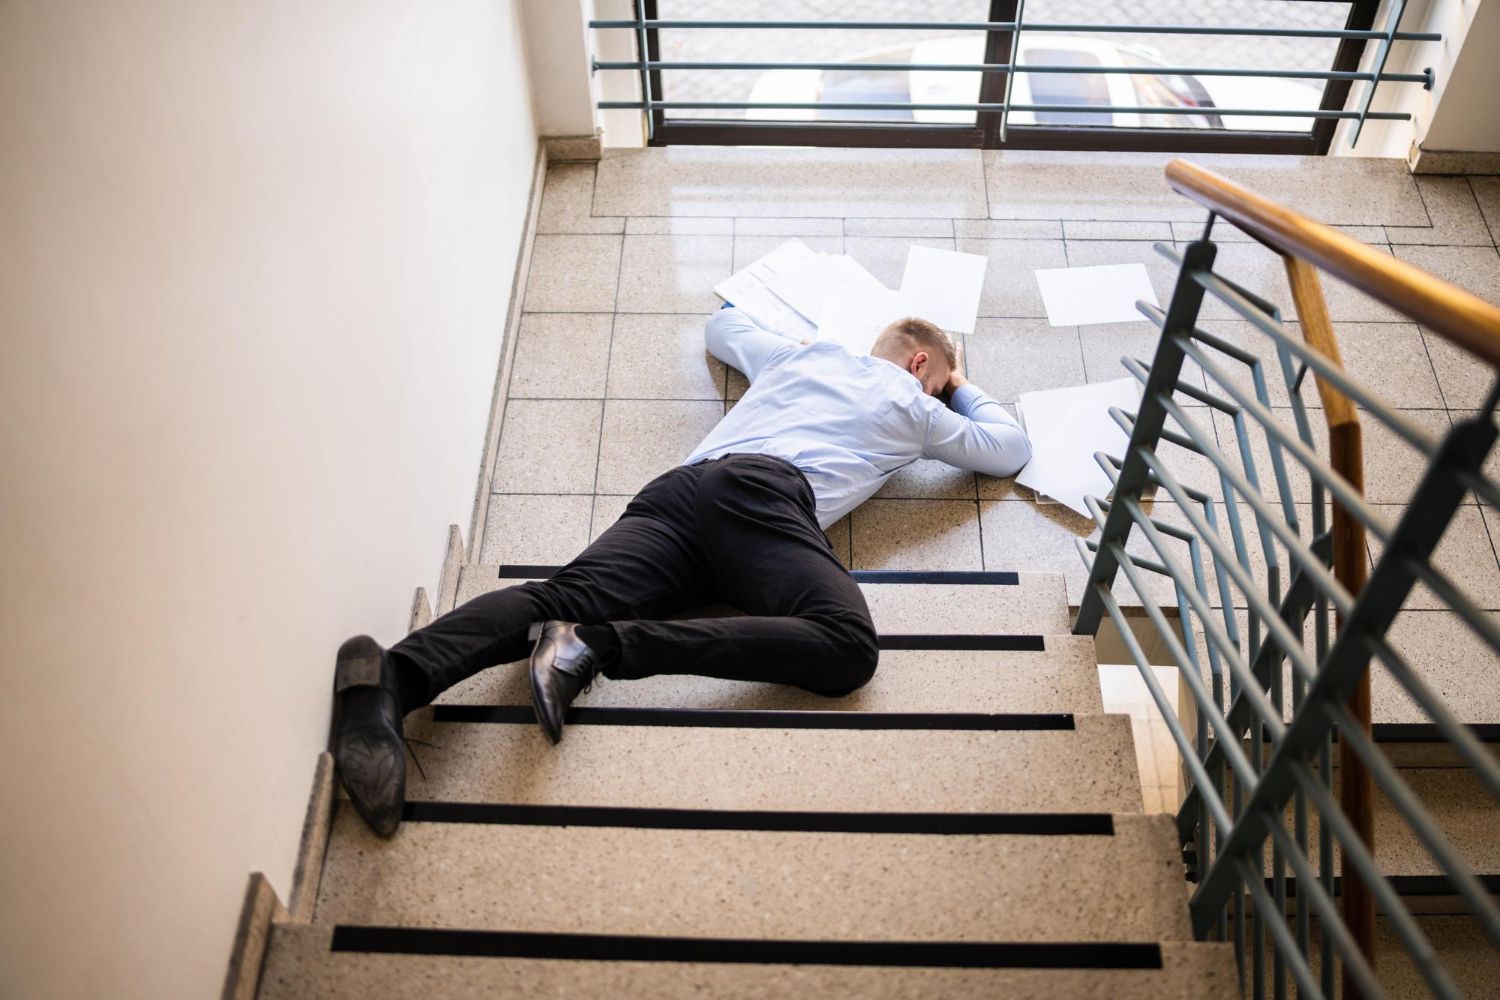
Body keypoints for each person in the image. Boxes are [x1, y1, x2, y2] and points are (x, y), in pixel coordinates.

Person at [330, 309, 1033, 836]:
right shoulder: (914, 403)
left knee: (561, 593)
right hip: (762, 499)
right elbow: (1007, 449)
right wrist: (958, 386)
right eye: (937, 382)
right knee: (845, 643)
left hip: (677, 493)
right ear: (919, 365)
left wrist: (799, 342)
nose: (938, 396)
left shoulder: (800, 357)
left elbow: (722, 327)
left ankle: (391, 678)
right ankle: (597, 646)